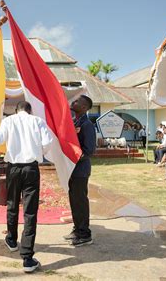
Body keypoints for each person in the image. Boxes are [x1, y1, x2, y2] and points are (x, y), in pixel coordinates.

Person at [0, 101, 53, 273]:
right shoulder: (38, 121)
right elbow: (48, 142)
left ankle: (12, 239)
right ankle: (28, 258)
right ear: (29, 110)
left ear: (16, 110)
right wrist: (37, 152)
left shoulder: (9, 121)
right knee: (30, 211)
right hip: (31, 168)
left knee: (12, 204)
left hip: (13, 168)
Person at [63, 95, 95, 246]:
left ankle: (85, 234)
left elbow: (89, 150)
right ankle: (77, 229)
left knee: (80, 201)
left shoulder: (87, 125)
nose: (73, 102)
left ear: (83, 107)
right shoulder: (76, 121)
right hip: (72, 169)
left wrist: (72, 156)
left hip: (80, 170)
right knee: (74, 201)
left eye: (76, 101)